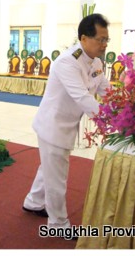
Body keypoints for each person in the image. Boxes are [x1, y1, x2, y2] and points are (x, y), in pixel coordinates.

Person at [23, 13, 111, 236]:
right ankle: (58, 225)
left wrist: (125, 108)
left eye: (106, 39)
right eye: (100, 39)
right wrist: (110, 120)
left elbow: (106, 90)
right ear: (84, 38)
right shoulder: (67, 62)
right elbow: (82, 97)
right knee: (57, 178)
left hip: (66, 123)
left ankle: (33, 201)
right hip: (53, 126)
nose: (104, 44)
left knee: (49, 168)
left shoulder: (97, 62)